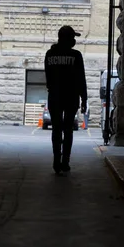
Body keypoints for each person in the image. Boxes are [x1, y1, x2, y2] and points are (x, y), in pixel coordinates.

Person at [44, 25, 87, 174]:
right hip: (71, 97)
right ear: (68, 39)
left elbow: (48, 77)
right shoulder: (76, 56)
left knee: (56, 129)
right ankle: (65, 161)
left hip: (54, 96)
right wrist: (84, 99)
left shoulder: (50, 54)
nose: (74, 40)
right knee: (68, 130)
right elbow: (81, 79)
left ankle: (56, 160)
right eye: (73, 37)